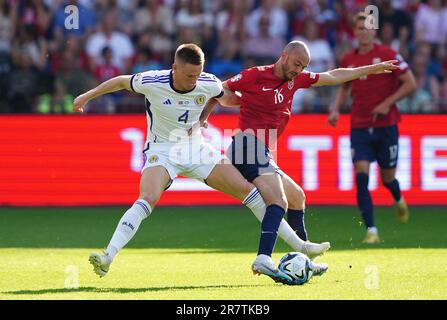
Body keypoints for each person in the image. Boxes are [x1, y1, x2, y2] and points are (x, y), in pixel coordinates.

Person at [73, 43, 329, 285]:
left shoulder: (207, 83)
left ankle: (300, 248)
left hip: (196, 149)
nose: (193, 81)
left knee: (248, 191)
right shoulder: (152, 81)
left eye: (197, 75)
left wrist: (249, 102)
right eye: (188, 76)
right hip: (163, 150)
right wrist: (87, 96)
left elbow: (227, 97)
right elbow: (119, 81)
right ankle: (108, 256)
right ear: (174, 68)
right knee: (148, 197)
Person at [197, 40, 399, 251]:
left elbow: (332, 76)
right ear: (284, 55)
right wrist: (203, 117)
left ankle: (302, 258)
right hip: (247, 145)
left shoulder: (297, 80)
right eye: (296, 64)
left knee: (296, 197)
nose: (298, 70)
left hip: (261, 150)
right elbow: (219, 89)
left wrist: (371, 69)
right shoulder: (255, 75)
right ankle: (264, 257)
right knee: (278, 201)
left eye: (303, 66)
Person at [328, 12, 416, 244]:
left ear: (374, 31)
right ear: (355, 32)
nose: (363, 32)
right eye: (359, 28)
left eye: (367, 28)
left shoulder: (388, 55)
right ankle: (372, 231)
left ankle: (398, 198)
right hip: (359, 126)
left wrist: (387, 103)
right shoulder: (349, 59)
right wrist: (336, 109)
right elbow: (344, 87)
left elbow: (410, 83)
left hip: (386, 127)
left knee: (388, 179)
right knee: (361, 178)